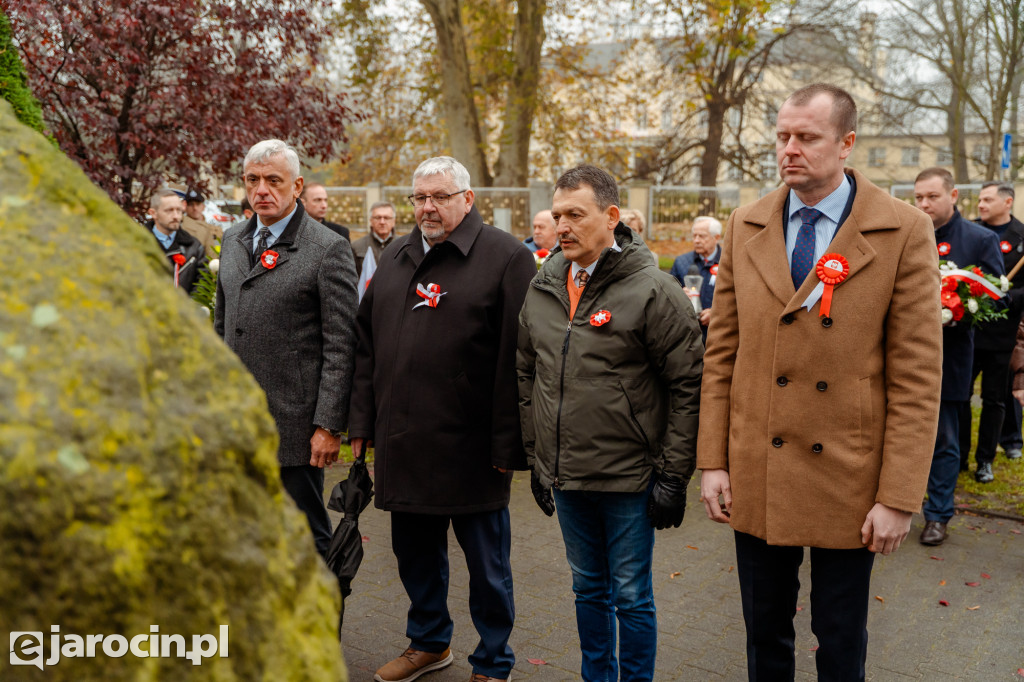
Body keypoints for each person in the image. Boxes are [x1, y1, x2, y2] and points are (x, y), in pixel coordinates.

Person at [698, 84, 943, 680]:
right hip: (760, 466)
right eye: (783, 136)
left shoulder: (903, 229)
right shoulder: (745, 223)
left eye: (807, 137)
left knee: (839, 641)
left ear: (847, 143)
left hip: (849, 476)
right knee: (764, 637)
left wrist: (900, 497)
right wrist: (714, 462)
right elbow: (722, 355)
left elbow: (916, 378)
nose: (790, 149)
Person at [347, 156, 536, 682]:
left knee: (487, 568)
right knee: (414, 556)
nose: (427, 207)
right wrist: (361, 424)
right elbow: (366, 347)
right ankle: (429, 643)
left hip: (473, 447)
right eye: (419, 197)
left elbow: (518, 359)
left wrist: (509, 446)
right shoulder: (398, 256)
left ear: (467, 199)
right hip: (403, 441)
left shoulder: (506, 257)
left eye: (439, 196)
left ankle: (494, 661)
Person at [517, 164, 703, 682]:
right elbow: (527, 372)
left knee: (630, 595)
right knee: (586, 589)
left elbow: (688, 385)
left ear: (612, 217)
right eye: (557, 216)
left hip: (629, 480)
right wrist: (536, 458)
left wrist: (673, 476)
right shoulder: (544, 284)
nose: (563, 227)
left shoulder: (654, 290)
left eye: (576, 214)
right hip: (568, 476)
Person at [214, 139, 358, 559]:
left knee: (307, 539)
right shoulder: (234, 238)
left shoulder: (326, 248)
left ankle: (320, 620)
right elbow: (223, 328)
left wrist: (328, 425)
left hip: (295, 428)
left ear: (296, 187)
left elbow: (341, 344)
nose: (261, 190)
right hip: (240, 422)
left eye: (273, 181)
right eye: (252, 180)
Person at [914, 167, 1004, 543]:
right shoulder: (907, 233)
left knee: (944, 438)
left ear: (952, 197)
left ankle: (937, 514)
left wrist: (956, 310)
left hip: (950, 355)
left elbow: (993, 293)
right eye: (918, 197)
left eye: (932, 197)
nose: (923, 204)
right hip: (901, 355)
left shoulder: (979, 239)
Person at [961, 182, 1024, 472]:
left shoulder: (1021, 237)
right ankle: (958, 456)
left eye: (988, 199)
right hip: (967, 332)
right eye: (980, 199)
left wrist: (1005, 295)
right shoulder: (968, 232)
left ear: (1007, 202)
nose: (981, 204)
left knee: (994, 399)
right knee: (960, 396)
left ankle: (985, 460)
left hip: (1002, 335)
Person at [669, 216, 723, 341]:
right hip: (687, 334)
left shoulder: (728, 263)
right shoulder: (681, 262)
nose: (696, 240)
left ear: (716, 238)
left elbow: (736, 298)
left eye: (702, 236)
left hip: (717, 335)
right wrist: (679, 295)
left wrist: (717, 313)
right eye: (694, 236)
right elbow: (666, 297)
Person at [147, 188, 205, 294]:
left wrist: (188, 308)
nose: (176, 216)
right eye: (169, 210)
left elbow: (202, 285)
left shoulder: (194, 246)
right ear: (153, 213)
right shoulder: (137, 245)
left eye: (179, 210)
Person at [351, 201, 399, 276]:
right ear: (371, 220)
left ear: (394, 221)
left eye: (386, 218)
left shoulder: (404, 245)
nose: (382, 222)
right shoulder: (356, 247)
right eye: (378, 217)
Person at [181, 187, 223, 257]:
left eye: (197, 204)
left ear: (203, 206)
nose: (195, 208)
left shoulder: (213, 228)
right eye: (191, 204)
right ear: (185, 207)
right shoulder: (182, 225)